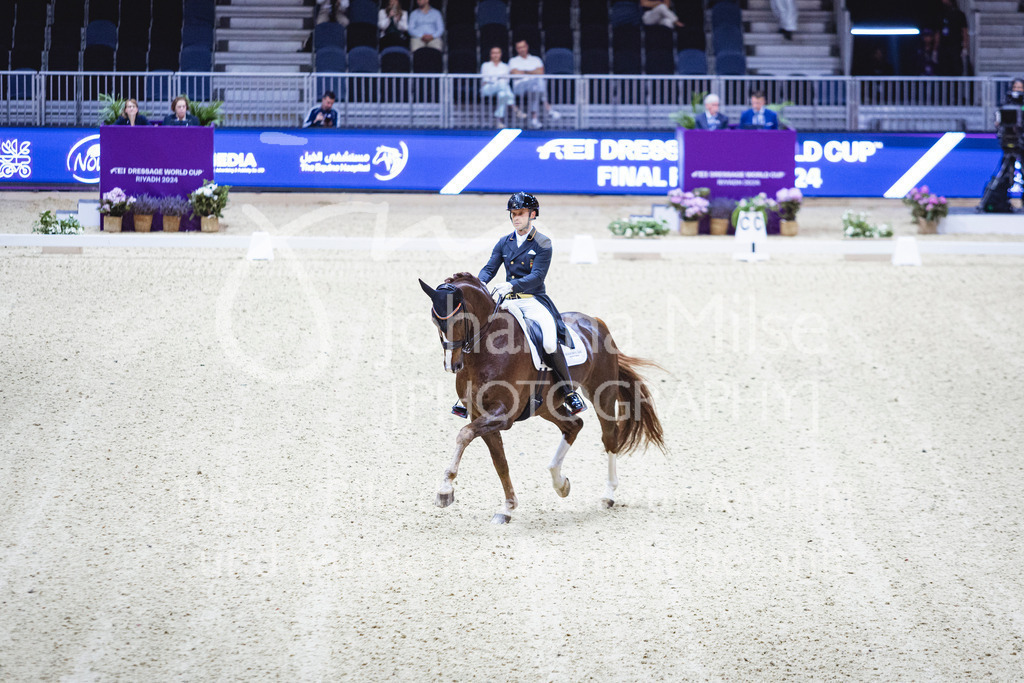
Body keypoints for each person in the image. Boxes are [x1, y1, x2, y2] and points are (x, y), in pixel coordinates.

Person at [471, 192, 586, 415]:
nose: (516, 218)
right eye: (513, 214)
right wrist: (478, 283)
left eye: (521, 213)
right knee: (480, 332)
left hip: (532, 300)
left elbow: (537, 276)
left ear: (532, 214)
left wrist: (512, 285)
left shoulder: (543, 243)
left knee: (550, 343)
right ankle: (469, 390)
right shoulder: (504, 242)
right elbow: (489, 268)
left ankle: (569, 392)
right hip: (506, 301)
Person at [508, 39, 560, 129]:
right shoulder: (513, 60)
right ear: (516, 49)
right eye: (519, 47)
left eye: (523, 47)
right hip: (519, 87)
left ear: (527, 47)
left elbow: (540, 72)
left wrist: (523, 71)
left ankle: (534, 119)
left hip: (534, 87)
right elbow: (515, 74)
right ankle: (548, 109)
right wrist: (532, 72)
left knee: (536, 86)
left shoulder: (536, 59)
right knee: (537, 82)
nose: (522, 49)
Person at [480, 46, 517, 126]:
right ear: (490, 55)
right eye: (493, 53)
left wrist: (495, 79)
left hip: (502, 88)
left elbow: (506, 81)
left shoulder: (505, 66)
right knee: (502, 84)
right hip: (487, 88)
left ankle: (499, 120)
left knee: (502, 94)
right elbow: (486, 80)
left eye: (497, 53)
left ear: (500, 54)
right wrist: (499, 79)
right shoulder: (485, 65)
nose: (495, 55)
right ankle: (513, 105)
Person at [934, 0, 968, 76]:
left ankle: (956, 87)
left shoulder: (960, 15)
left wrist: (965, 48)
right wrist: (935, 50)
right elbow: (938, 33)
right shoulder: (940, 15)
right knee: (943, 70)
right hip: (943, 48)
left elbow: (964, 32)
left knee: (956, 69)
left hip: (955, 47)